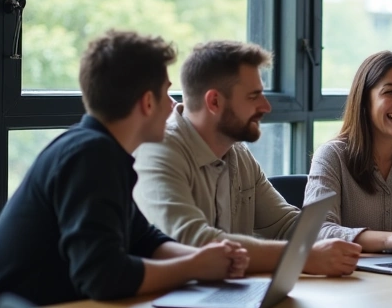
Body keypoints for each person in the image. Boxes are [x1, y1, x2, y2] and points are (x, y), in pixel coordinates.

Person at [0, 31, 249, 308]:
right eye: (166, 92)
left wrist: (210, 259)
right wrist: (194, 267)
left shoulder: (97, 150)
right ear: (147, 102)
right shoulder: (91, 156)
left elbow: (145, 240)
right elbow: (104, 277)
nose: (172, 105)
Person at [133, 40, 361, 276]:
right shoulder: (157, 151)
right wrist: (302, 257)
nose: (267, 106)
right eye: (254, 96)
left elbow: (286, 225)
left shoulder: (237, 152)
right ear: (214, 102)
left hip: (223, 298)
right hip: (170, 304)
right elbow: (193, 243)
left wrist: (359, 242)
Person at [303, 51, 392, 252]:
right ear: (364, 100)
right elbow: (316, 231)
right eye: (390, 92)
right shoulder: (332, 156)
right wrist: (389, 239)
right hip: (352, 280)